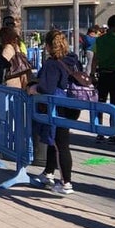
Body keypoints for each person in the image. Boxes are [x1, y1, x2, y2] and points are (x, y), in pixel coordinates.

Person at [28, 30, 80, 194]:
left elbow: (47, 87)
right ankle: (48, 172)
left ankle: (66, 182)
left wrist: (33, 88)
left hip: (57, 107)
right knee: (56, 141)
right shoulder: (73, 60)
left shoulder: (52, 63)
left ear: (49, 45)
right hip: (72, 105)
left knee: (60, 144)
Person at [90, 15, 115, 143]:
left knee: (100, 102)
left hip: (102, 74)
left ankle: (100, 132)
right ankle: (113, 133)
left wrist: (92, 73)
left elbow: (95, 59)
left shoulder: (99, 40)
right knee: (114, 104)